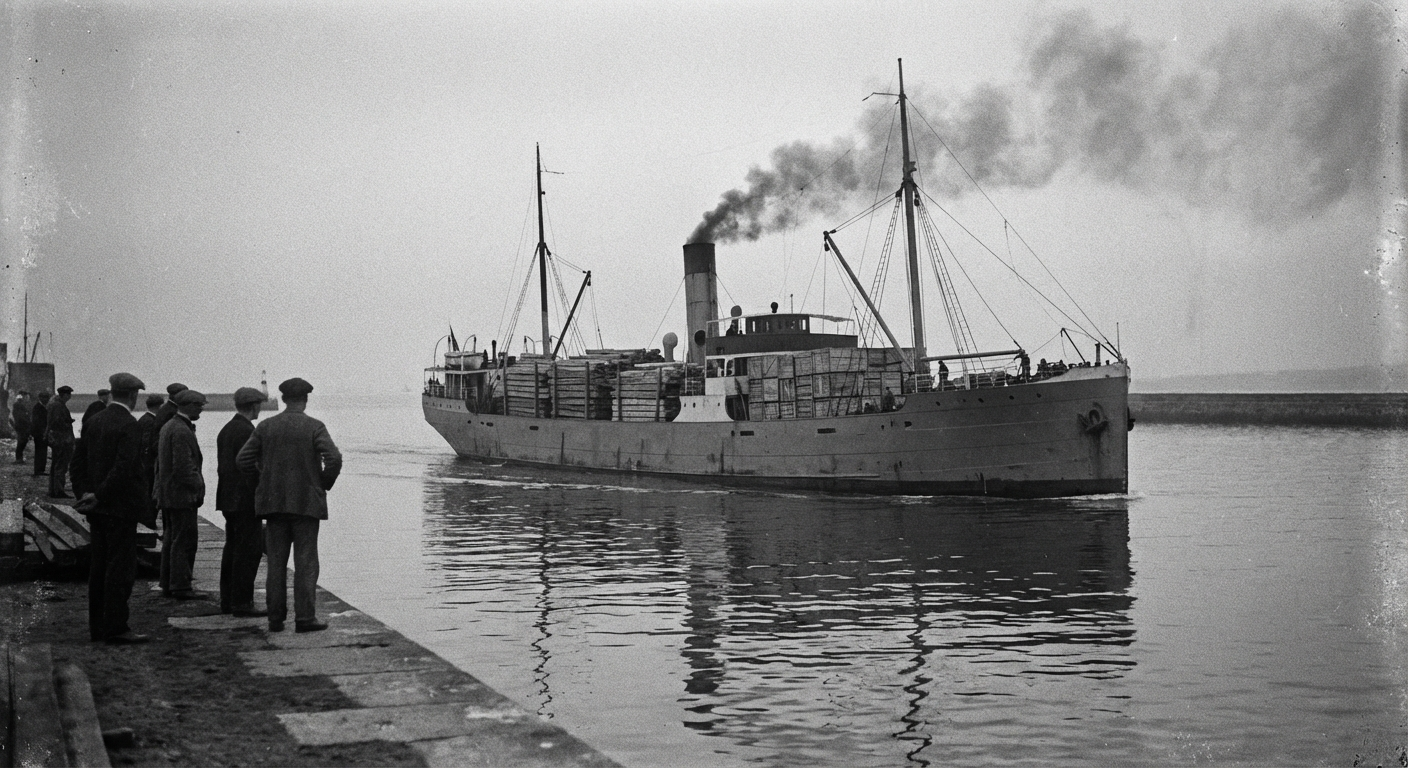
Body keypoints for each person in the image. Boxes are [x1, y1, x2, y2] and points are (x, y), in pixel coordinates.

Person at [237, 377, 341, 633]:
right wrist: (322, 483)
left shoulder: (266, 427)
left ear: (283, 399)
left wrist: (263, 483)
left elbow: (242, 460)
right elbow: (334, 458)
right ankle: (304, 619)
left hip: (273, 505)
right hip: (306, 505)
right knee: (306, 563)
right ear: (305, 400)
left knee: (276, 564)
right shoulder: (314, 426)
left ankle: (275, 619)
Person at [74, 373, 154, 644]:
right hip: (120, 509)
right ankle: (116, 628)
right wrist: (100, 495)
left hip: (97, 510)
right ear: (133, 396)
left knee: (98, 568)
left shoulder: (94, 421)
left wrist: (85, 494)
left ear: (111, 392)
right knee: (120, 569)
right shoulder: (129, 424)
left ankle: (97, 627)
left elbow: (78, 462)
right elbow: (124, 467)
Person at [217, 387, 267, 616]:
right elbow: (251, 467)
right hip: (245, 500)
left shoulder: (226, 429)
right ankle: (242, 603)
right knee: (249, 552)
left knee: (232, 549)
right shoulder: (248, 431)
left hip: (227, 499)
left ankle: (228, 600)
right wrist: (259, 491)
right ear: (254, 406)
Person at [156, 388, 208, 599]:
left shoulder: (170, 426)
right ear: (190, 406)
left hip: (169, 494)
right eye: (199, 407)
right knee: (184, 541)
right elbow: (184, 468)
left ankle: (168, 583)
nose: (201, 411)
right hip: (181, 496)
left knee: (171, 539)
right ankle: (181, 586)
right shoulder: (181, 430)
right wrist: (199, 487)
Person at [47, 385, 76, 498]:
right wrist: (68, 422)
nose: (70, 396)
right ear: (65, 395)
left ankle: (53, 490)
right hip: (62, 440)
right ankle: (58, 491)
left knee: (56, 465)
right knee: (61, 466)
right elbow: (58, 422)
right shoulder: (59, 406)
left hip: (57, 440)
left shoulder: (55, 405)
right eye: (69, 394)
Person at [31, 390, 50, 476]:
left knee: (43, 451)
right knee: (40, 451)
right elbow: (37, 422)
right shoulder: (38, 407)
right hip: (39, 433)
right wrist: (43, 432)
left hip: (42, 433)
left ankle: (40, 469)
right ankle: (38, 470)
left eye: (47, 398)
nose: (46, 399)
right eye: (45, 397)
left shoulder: (42, 407)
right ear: (40, 398)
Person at [10, 390, 31, 464]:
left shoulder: (20, 405)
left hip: (22, 426)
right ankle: (18, 458)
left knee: (23, 441)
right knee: (21, 442)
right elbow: (21, 417)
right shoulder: (18, 405)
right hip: (21, 426)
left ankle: (19, 458)